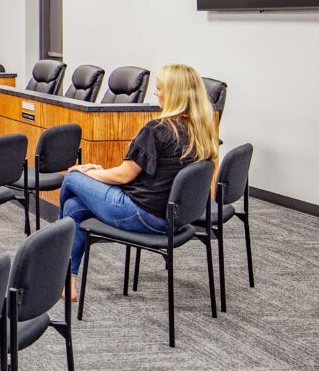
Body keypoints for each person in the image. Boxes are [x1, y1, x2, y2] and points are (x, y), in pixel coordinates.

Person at [58, 63, 219, 296]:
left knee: (72, 178)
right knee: (74, 207)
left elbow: (123, 176)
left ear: (174, 93)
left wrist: (89, 172)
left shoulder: (158, 129)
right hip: (177, 218)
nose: (156, 93)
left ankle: (54, 246)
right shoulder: (201, 131)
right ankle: (68, 279)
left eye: (160, 88)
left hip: (144, 215)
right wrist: (99, 172)